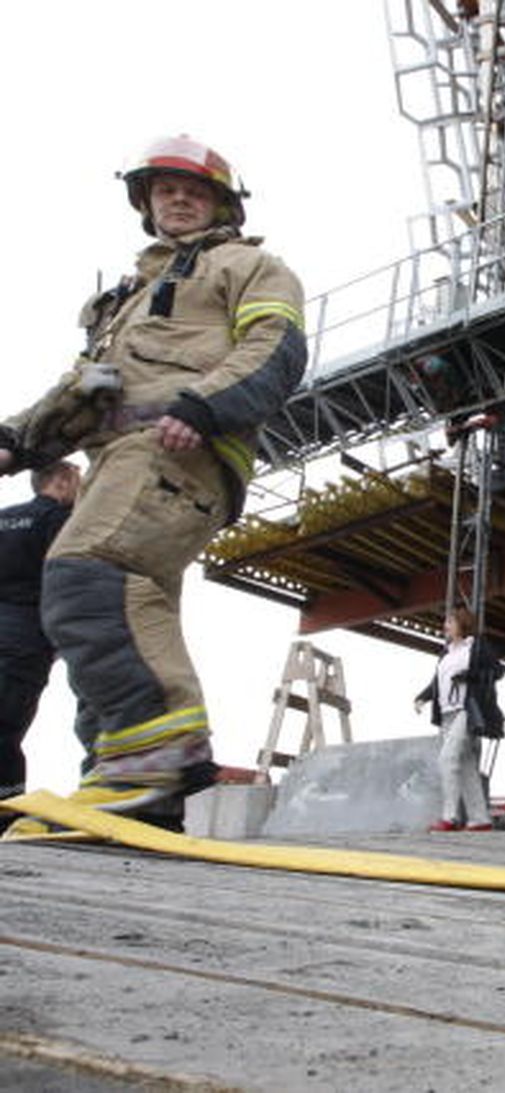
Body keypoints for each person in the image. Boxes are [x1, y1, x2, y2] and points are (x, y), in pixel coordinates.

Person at [0, 135, 306, 832]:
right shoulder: (125, 300)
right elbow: (88, 392)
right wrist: (17, 440)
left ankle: (155, 761)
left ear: (223, 203)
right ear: (145, 202)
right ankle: (124, 785)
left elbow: (276, 350)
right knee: (127, 611)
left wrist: (205, 407)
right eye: (163, 188)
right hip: (121, 456)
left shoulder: (250, 267)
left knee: (88, 575)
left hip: (179, 448)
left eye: (193, 189)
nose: (177, 198)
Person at [0, 461, 82, 827]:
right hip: (26, 639)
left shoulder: (5, 517)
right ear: (62, 481)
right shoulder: (62, 522)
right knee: (7, 727)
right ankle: (6, 810)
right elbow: (70, 583)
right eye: (78, 482)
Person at [414, 606, 504, 832]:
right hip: (446, 713)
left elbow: (497, 671)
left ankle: (450, 816)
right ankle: (480, 819)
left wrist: (469, 676)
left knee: (447, 759)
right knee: (466, 767)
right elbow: (437, 681)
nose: (445, 626)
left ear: (462, 624)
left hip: (467, 710)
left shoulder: (477, 647)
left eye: (450, 622)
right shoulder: (446, 653)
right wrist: (422, 698)